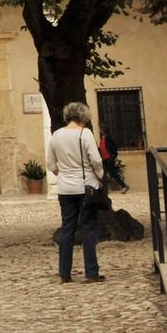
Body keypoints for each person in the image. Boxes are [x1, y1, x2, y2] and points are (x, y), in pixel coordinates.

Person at [46, 101, 106, 283]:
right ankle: (91, 272)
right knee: (88, 228)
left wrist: (62, 175)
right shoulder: (85, 134)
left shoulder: (56, 135)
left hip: (65, 189)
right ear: (83, 117)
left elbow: (51, 164)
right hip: (85, 186)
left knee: (67, 229)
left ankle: (64, 273)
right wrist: (100, 176)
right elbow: (96, 160)